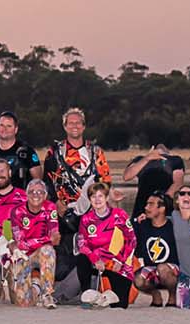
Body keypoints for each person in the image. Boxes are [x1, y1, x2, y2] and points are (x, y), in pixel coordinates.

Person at [44, 107, 115, 300]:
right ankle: (65, 290)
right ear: (64, 126)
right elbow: (47, 181)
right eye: (70, 122)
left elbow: (105, 181)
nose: (74, 126)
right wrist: (55, 202)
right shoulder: (55, 151)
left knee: (90, 251)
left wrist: (99, 203)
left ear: (83, 126)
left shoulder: (95, 151)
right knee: (64, 258)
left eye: (78, 122)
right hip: (63, 214)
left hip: (92, 213)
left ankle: (88, 290)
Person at [77, 182, 136, 309]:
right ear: (90, 199)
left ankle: (105, 296)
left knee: (120, 305)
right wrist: (95, 259)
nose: (97, 200)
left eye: (100, 196)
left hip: (117, 261)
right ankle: (87, 294)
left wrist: (120, 260)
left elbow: (131, 240)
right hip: (97, 262)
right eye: (93, 197)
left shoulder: (119, 215)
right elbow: (82, 244)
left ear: (107, 198)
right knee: (81, 258)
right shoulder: (86, 219)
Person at [6, 180, 61, 309]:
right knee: (23, 303)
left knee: (48, 250)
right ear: (26, 194)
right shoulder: (17, 211)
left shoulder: (50, 207)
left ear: (46, 195)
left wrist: (45, 241)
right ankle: (36, 286)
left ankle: (47, 294)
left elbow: (55, 239)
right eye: (32, 192)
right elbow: (21, 244)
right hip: (23, 255)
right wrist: (46, 239)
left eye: (40, 192)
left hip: (41, 253)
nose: (36, 195)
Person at [133, 193, 181, 307]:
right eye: (147, 204)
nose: (146, 208)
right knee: (138, 279)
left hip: (173, 269)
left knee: (163, 268)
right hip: (152, 268)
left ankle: (172, 296)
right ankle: (155, 295)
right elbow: (122, 226)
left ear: (162, 208)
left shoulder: (174, 226)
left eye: (150, 204)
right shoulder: (142, 224)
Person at [124, 144, 185, 219]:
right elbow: (127, 176)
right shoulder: (140, 159)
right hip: (142, 205)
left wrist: (161, 202)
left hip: (163, 207)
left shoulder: (175, 159)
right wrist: (147, 158)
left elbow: (178, 183)